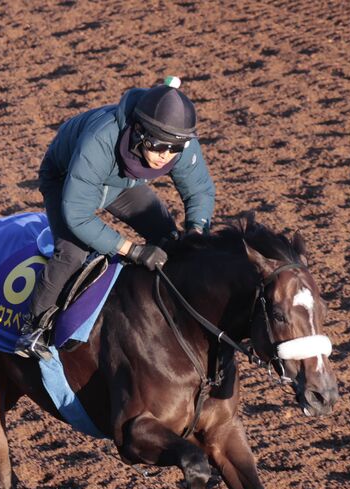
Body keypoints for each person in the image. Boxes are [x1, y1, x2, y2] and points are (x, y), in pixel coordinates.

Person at [15, 76, 216, 359]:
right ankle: (32, 327)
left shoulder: (178, 142)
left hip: (121, 185)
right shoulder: (100, 139)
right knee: (72, 252)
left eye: (174, 149)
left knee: (169, 238)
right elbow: (78, 216)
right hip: (66, 180)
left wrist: (196, 231)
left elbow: (200, 191)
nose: (165, 156)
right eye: (159, 146)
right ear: (138, 132)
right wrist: (131, 250)